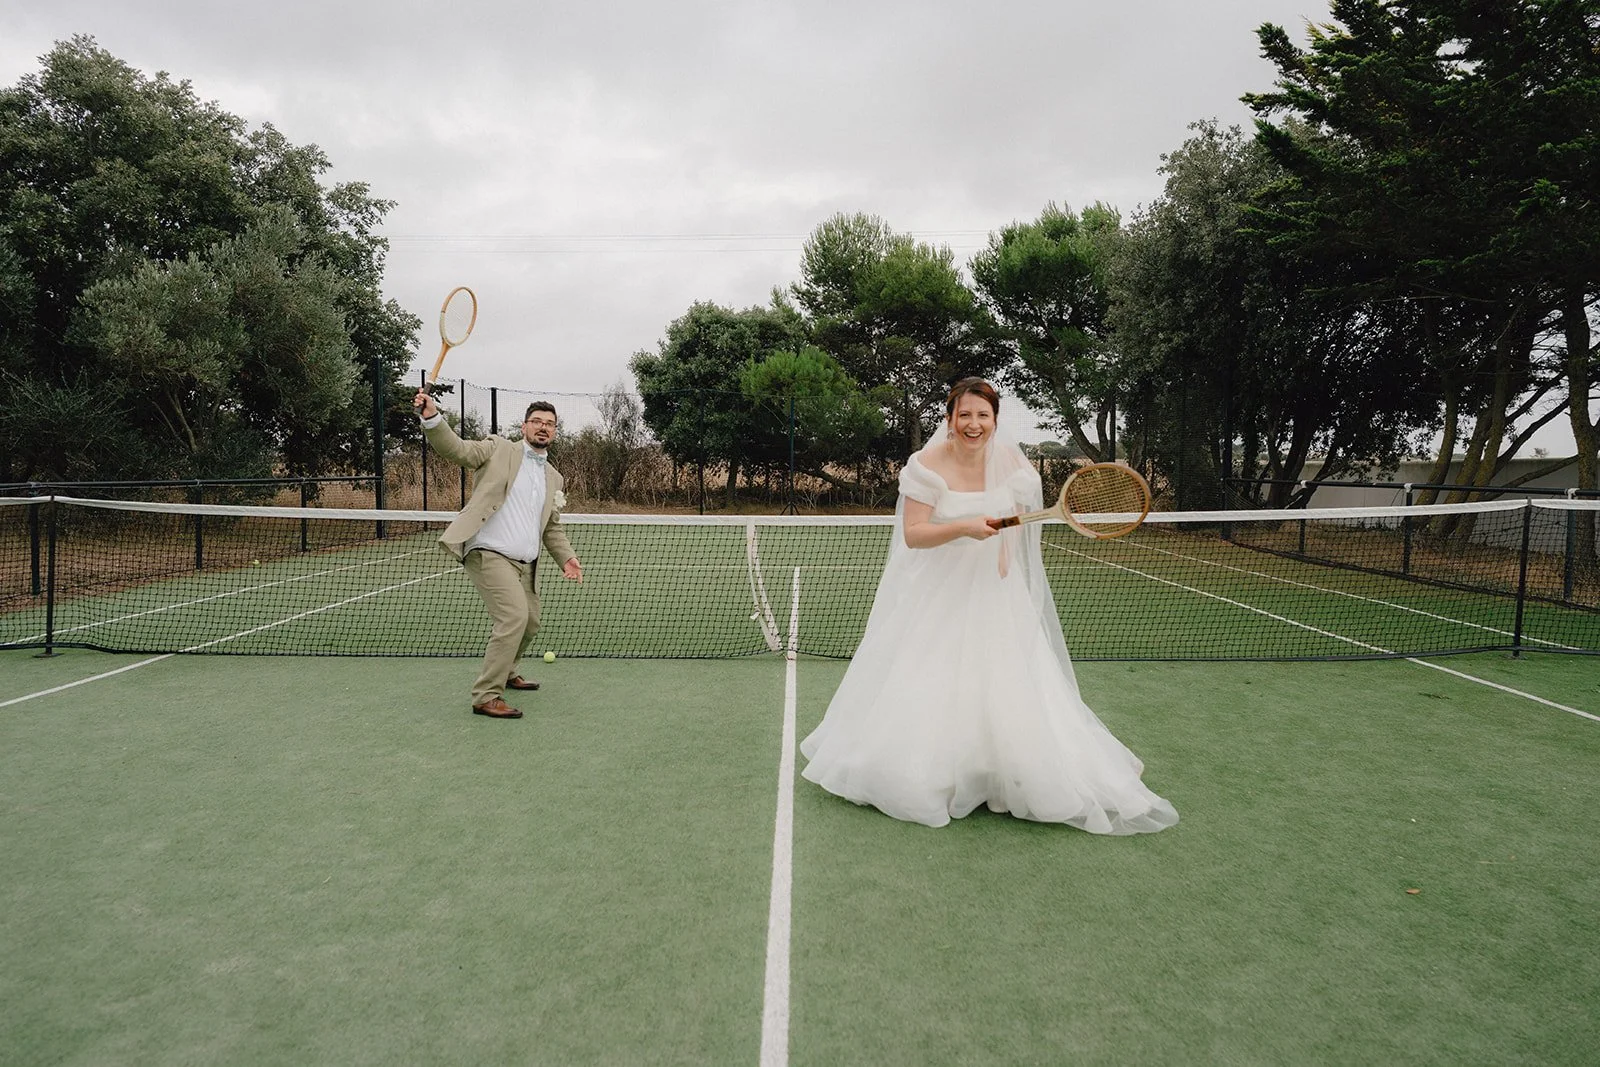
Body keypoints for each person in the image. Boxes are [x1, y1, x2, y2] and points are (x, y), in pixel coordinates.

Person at [799, 378, 1178, 833]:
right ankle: (934, 771)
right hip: (937, 592)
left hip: (997, 592)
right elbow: (914, 535)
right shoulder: (924, 465)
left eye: (983, 415)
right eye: (965, 415)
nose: (973, 424)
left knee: (1001, 681)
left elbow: (1013, 527)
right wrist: (962, 527)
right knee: (931, 679)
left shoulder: (1013, 463)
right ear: (949, 418)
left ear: (995, 421)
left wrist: (1002, 558)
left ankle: (999, 771)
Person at [415, 389, 582, 719]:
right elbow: (457, 449)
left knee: (530, 624)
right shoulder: (498, 449)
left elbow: (550, 527)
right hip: (489, 553)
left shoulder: (554, 477)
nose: (543, 427)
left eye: (549, 423)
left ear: (555, 431)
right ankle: (486, 695)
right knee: (513, 618)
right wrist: (432, 417)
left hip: (526, 564)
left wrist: (567, 557)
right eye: (536, 421)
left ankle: (507, 671)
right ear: (523, 427)